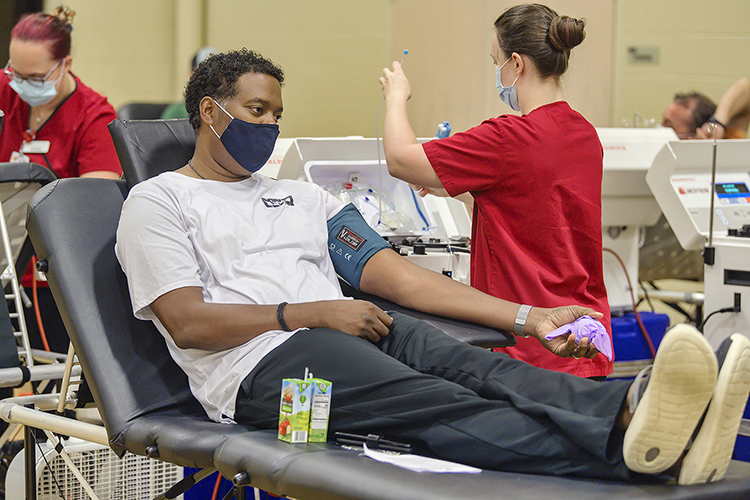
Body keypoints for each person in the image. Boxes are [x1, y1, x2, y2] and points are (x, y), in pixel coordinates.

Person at [115, 48, 750, 485]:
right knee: (441, 404)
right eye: (257, 112)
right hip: (260, 366)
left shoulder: (305, 197)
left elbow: (401, 277)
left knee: (473, 365)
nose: (270, 125)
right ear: (209, 112)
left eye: (277, 115)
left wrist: (529, 318)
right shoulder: (159, 201)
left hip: (346, 323)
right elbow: (187, 320)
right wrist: (312, 313)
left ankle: (630, 411)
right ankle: (636, 454)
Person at [379, 4, 611, 379]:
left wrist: (396, 97)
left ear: (516, 64)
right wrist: (466, 193)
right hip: (585, 341)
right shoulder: (585, 135)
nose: (496, 72)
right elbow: (538, 213)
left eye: (495, 61)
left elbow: (400, 160)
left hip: (532, 351)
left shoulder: (507, 138)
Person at [0, 5, 122, 354]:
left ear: (65, 65)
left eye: (35, 78)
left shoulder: (94, 116)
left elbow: (92, 209)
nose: (21, 86)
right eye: (15, 73)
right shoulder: (5, 91)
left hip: (49, 280)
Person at [662, 79, 750, 140]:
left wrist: (716, 123)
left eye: (668, 125)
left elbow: (746, 88)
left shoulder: (725, 146)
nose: (660, 128)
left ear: (695, 133)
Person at [160, 46, 218, 120]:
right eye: (205, 72)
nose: (212, 78)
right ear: (192, 74)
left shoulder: (227, 111)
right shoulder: (177, 112)